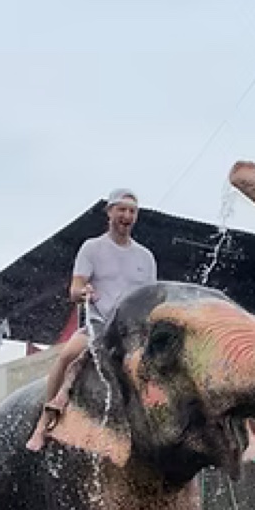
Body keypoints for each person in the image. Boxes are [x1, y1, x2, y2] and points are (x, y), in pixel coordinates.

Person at [27, 188, 157, 451]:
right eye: (121, 210)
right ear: (109, 212)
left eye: (132, 211)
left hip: (132, 331)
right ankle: (43, 422)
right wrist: (83, 292)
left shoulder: (146, 256)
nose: (127, 216)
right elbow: (75, 289)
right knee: (68, 355)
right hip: (99, 326)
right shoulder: (92, 248)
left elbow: (151, 299)